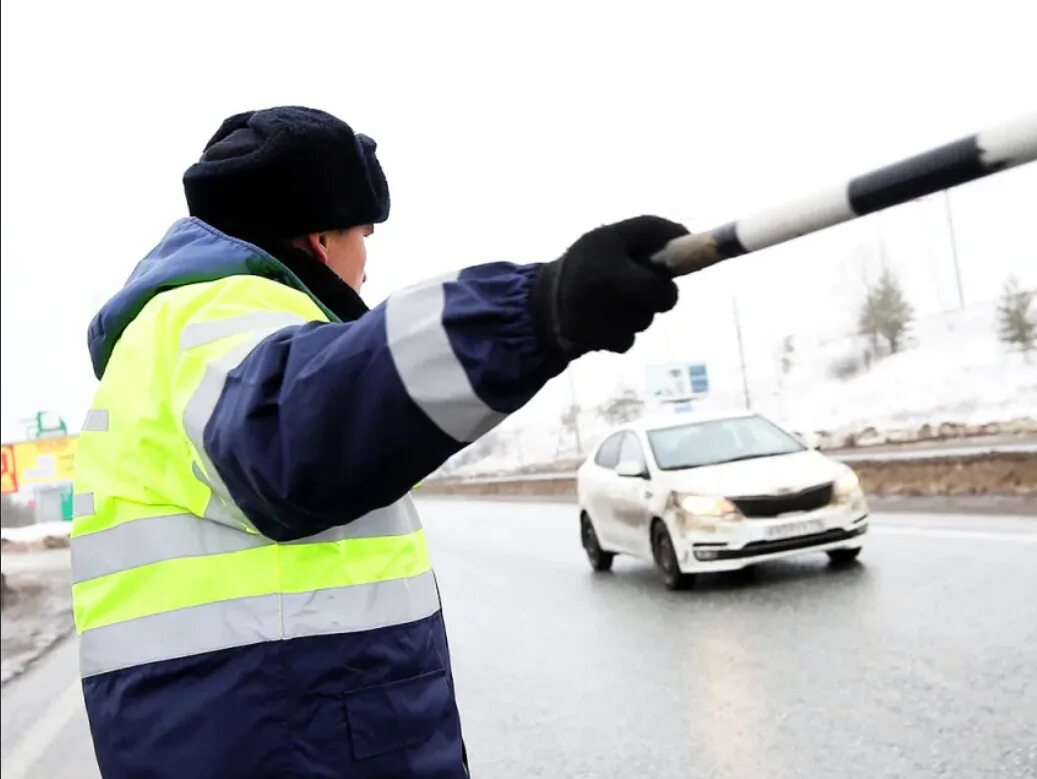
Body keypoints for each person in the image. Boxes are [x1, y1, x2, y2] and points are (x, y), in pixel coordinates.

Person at [69, 106, 686, 778]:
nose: (365, 263)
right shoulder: (211, 316)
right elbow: (298, 423)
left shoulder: (173, 337)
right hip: (289, 741)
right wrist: (535, 310)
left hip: (257, 728)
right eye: (363, 233)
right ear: (320, 238)